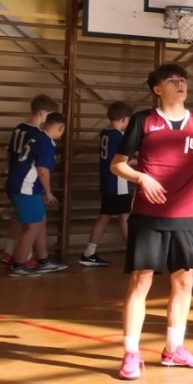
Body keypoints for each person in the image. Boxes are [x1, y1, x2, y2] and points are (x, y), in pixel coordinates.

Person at [111, 63, 193, 381]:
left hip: (184, 215)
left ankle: (173, 349)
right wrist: (142, 178)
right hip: (148, 215)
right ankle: (131, 353)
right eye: (172, 80)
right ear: (157, 89)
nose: (180, 84)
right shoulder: (144, 121)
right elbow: (117, 165)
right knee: (141, 282)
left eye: (183, 80)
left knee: (184, 283)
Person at [2, 93, 63, 275]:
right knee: (32, 224)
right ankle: (21, 260)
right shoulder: (40, 136)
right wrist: (47, 190)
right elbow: (41, 168)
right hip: (25, 184)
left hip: (19, 180)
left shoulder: (20, 129)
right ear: (43, 114)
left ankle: (21, 255)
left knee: (33, 219)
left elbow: (12, 155)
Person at [81, 101, 135, 267]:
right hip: (118, 183)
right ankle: (133, 253)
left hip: (107, 181)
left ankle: (89, 252)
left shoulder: (105, 133)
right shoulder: (119, 136)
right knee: (124, 216)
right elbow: (121, 162)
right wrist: (138, 162)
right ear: (124, 119)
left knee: (104, 216)